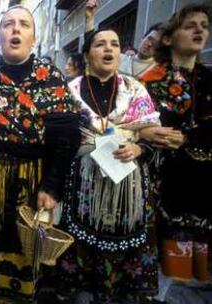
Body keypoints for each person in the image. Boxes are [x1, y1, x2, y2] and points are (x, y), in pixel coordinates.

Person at [0, 5, 80, 303]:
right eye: (8, 24)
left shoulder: (50, 77)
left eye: (23, 24)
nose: (15, 29)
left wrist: (52, 184)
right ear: (0, 35)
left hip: (34, 177)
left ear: (34, 37)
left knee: (27, 244)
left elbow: (68, 135)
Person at [58, 28, 160, 303]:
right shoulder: (69, 92)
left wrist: (138, 147)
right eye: (100, 44)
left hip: (126, 188)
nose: (109, 49)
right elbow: (59, 137)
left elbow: (151, 133)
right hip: (81, 187)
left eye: (114, 44)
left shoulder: (135, 89)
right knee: (79, 247)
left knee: (118, 255)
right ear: (88, 54)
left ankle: (111, 293)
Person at [140, 4, 212, 284]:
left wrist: (188, 137)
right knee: (166, 268)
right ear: (168, 38)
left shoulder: (209, 79)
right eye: (189, 25)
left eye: (204, 26)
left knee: (198, 273)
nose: (199, 30)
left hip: (203, 185)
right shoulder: (146, 83)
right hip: (164, 185)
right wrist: (145, 133)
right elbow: (129, 124)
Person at [85, 0, 162, 78]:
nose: (149, 44)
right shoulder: (120, 59)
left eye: (155, 44)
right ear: (142, 38)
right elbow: (91, 50)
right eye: (149, 38)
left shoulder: (158, 71)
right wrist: (89, 20)